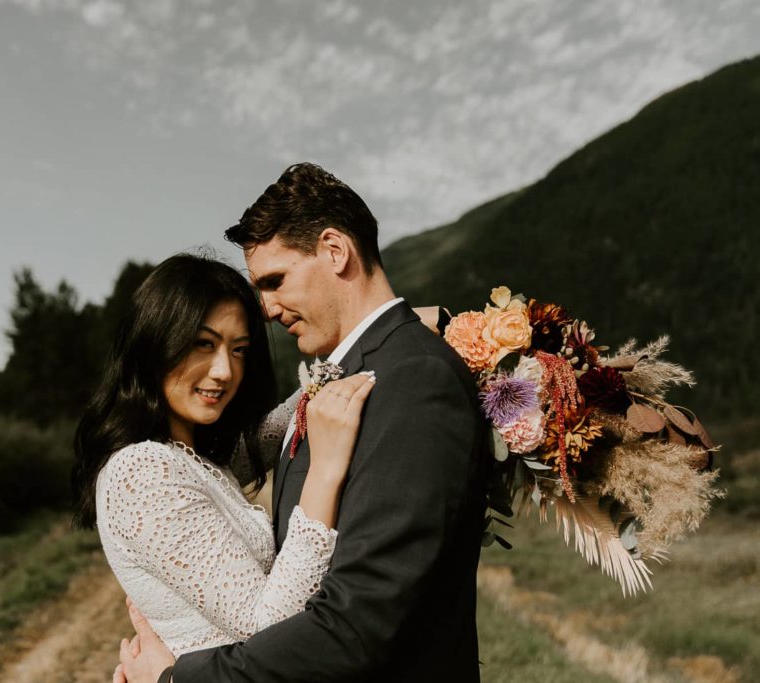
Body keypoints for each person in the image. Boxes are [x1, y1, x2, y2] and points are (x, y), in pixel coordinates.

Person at [117, 163, 490, 683]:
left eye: (274, 281)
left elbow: (357, 624)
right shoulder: (359, 374)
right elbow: (243, 443)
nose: (266, 309)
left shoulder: (413, 380)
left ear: (336, 251)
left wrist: (179, 679)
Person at [72, 254, 377, 658]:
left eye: (238, 350)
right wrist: (325, 470)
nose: (224, 372)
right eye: (204, 344)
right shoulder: (142, 471)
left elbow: (286, 418)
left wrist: (386, 330)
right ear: (155, 343)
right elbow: (267, 624)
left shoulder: (195, 458)